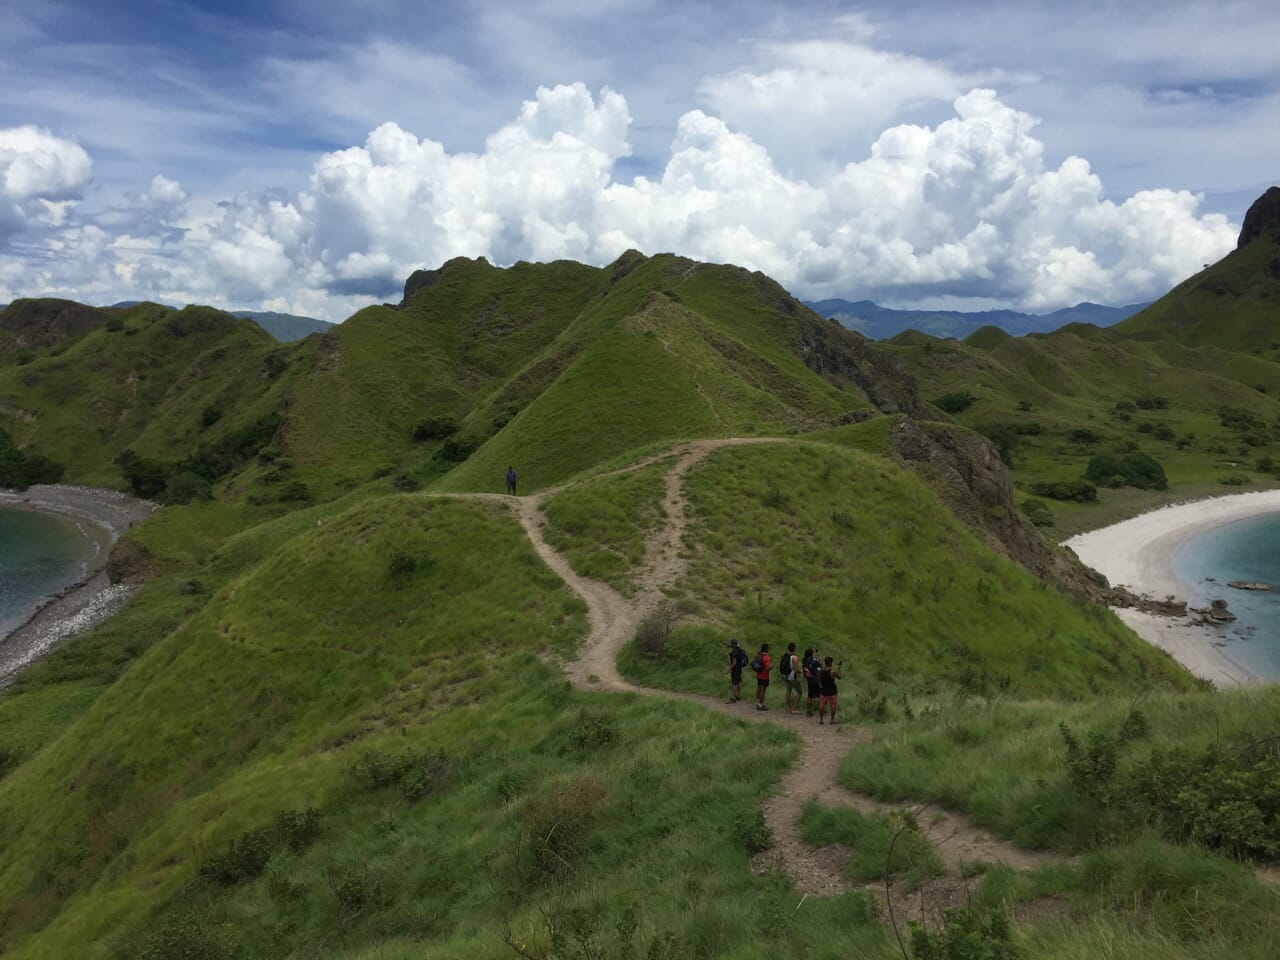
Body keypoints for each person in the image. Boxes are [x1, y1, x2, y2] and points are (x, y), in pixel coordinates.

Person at [818, 656, 842, 725]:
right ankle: (832, 720)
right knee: (833, 705)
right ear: (830, 663)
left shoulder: (821, 671)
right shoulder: (832, 672)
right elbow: (840, 677)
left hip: (823, 690)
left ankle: (821, 719)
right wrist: (839, 668)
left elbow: (819, 680)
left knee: (821, 705)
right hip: (832, 691)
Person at [781, 642, 803, 714]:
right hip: (792, 676)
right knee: (799, 692)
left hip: (785, 675)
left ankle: (789, 709)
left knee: (788, 691)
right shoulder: (794, 657)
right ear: (794, 648)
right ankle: (794, 708)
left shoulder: (785, 655)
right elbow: (796, 670)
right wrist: (801, 671)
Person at [726, 638, 748, 703]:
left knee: (734, 683)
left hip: (735, 669)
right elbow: (732, 646)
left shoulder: (734, 652)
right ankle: (738, 696)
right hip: (739, 668)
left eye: (731, 644)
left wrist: (729, 669)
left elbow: (734, 662)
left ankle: (733, 698)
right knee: (738, 682)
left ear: (733, 644)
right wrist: (726, 644)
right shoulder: (739, 649)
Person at [802, 646, 822, 717]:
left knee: (809, 696)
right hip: (815, 680)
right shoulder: (813, 660)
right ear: (811, 654)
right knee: (820, 695)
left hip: (809, 680)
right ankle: (822, 711)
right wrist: (819, 656)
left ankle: (808, 712)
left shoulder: (804, 660)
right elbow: (820, 664)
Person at [754, 642, 772, 711]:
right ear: (766, 649)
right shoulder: (767, 657)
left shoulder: (759, 655)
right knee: (763, 690)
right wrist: (771, 667)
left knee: (759, 687)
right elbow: (768, 668)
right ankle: (760, 705)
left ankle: (757, 702)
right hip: (765, 676)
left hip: (759, 675)